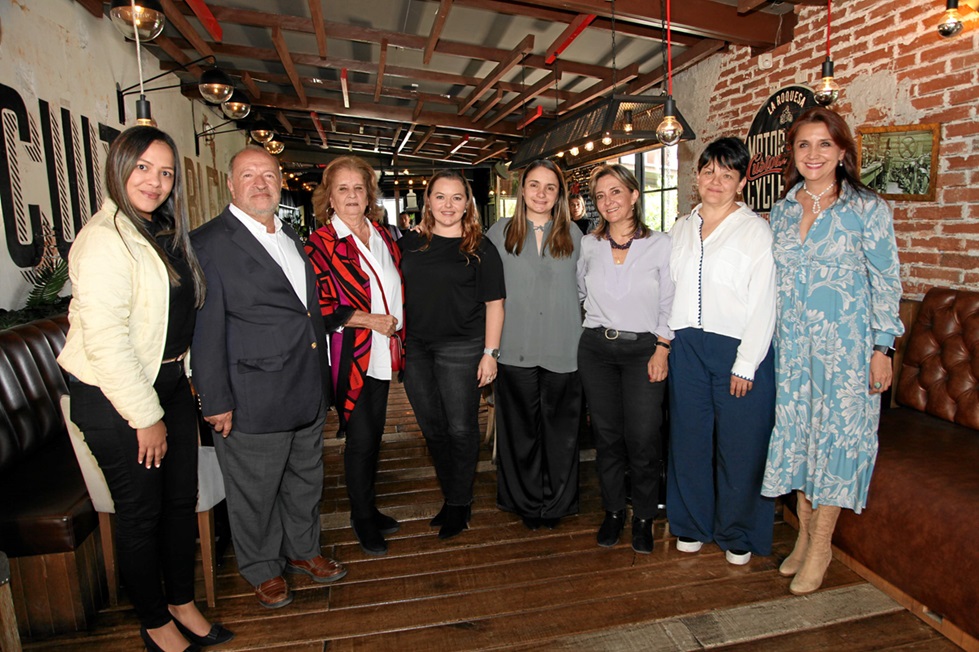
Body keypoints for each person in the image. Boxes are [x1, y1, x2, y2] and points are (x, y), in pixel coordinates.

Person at [58, 126, 233, 651]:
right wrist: (144, 415)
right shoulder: (104, 239)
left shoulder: (159, 228)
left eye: (165, 173)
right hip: (118, 397)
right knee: (141, 513)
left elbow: (171, 318)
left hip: (168, 383)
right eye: (143, 168)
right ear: (119, 167)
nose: (155, 182)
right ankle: (154, 619)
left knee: (179, 503)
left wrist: (186, 382)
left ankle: (181, 600)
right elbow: (108, 342)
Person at [191, 146, 346, 610]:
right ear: (231, 185)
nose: (260, 184)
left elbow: (304, 310)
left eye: (269, 175)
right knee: (254, 491)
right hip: (251, 393)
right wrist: (215, 398)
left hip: (307, 384)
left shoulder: (292, 235)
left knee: (305, 480)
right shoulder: (209, 243)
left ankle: (302, 551)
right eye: (248, 175)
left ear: (280, 182)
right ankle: (261, 568)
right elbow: (206, 327)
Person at [761, 107, 904, 595]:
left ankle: (821, 547)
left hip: (847, 350)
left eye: (824, 144)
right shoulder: (782, 209)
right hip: (794, 350)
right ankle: (803, 538)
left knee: (837, 444)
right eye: (804, 145)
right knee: (801, 442)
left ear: (843, 151)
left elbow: (887, 282)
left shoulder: (867, 208)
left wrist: (883, 348)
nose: (814, 154)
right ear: (792, 153)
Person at [666, 137, 777, 566]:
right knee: (689, 441)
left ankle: (738, 532)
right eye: (709, 171)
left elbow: (764, 301)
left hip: (738, 349)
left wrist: (747, 363)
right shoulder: (681, 227)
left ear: (742, 181)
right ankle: (692, 524)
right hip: (686, 347)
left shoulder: (755, 231)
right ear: (698, 176)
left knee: (741, 445)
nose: (716, 180)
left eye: (727, 174)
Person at [304, 156, 404, 556]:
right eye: (342, 188)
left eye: (358, 188)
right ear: (328, 196)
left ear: (369, 195)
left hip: (384, 352)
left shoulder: (382, 235)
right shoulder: (320, 245)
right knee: (361, 439)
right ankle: (362, 518)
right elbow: (319, 307)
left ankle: (369, 507)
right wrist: (371, 320)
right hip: (353, 355)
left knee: (374, 435)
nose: (351, 195)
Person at [398, 170, 506, 540]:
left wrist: (490, 353)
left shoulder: (480, 247)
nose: (448, 205)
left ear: (467, 203)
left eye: (456, 197)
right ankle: (451, 495)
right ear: (427, 200)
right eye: (440, 197)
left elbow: (495, 304)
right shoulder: (410, 244)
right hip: (416, 349)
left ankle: (460, 503)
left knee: (460, 428)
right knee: (432, 429)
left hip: (462, 347)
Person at [576, 163, 674, 554]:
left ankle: (645, 517)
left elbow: (670, 301)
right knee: (607, 437)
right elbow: (581, 291)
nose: (608, 201)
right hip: (597, 349)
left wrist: (663, 348)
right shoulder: (589, 244)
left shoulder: (661, 245)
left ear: (634, 195)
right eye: (600, 195)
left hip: (644, 351)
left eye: (616, 192)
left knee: (644, 437)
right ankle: (614, 511)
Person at [486, 160, 583, 531]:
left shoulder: (576, 235)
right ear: (521, 189)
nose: (541, 194)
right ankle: (525, 501)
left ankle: (557, 502)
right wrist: (488, 350)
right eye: (534, 185)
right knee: (519, 432)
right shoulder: (499, 233)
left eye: (550, 187)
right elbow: (489, 296)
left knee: (562, 433)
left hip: (564, 347)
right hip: (514, 348)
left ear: (560, 195)